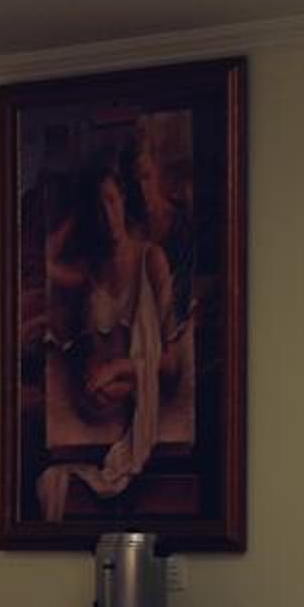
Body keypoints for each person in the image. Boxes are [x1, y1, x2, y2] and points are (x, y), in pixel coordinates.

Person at [36, 147, 190, 521]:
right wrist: (96, 373)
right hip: (98, 407)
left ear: (123, 199)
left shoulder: (151, 259)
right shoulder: (89, 271)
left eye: (111, 201)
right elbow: (48, 263)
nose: (107, 216)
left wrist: (117, 368)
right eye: (97, 207)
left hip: (141, 398)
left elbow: (171, 364)